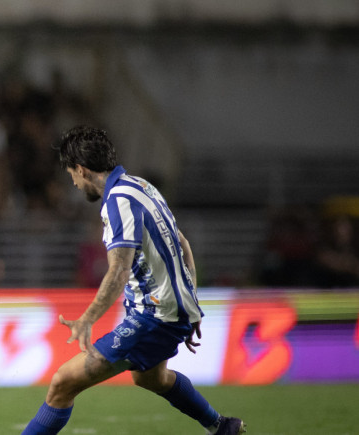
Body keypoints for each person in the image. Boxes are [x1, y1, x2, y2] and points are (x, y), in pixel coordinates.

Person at [21, 126, 245, 435]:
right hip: (167, 312)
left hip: (154, 317)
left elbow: (118, 271)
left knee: (62, 383)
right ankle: (222, 427)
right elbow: (181, 245)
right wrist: (188, 302)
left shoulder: (118, 201)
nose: (73, 182)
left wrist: (87, 319)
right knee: (151, 378)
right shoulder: (141, 186)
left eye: (72, 173)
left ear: (83, 169)